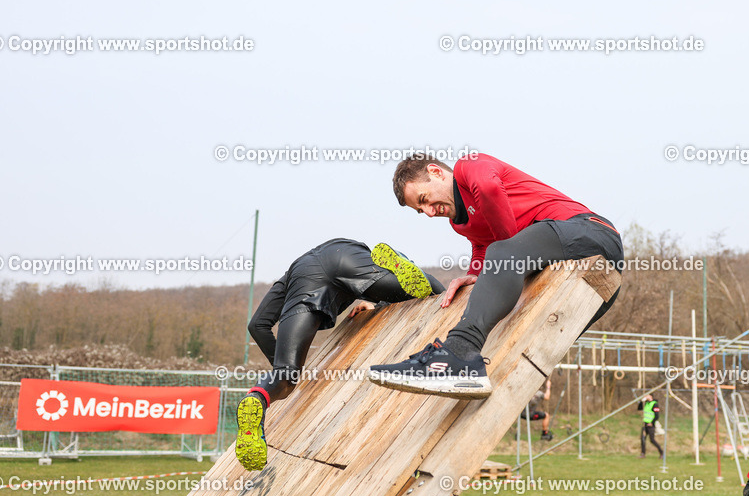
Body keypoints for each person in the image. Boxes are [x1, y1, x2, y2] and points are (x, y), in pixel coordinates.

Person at [368, 153, 624, 399]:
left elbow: (489, 189)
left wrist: (504, 253)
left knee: (501, 251)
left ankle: (457, 352)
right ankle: (468, 372)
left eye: (424, 199)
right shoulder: (460, 223)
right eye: (420, 210)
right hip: (562, 265)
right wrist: (473, 275)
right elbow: (482, 246)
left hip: (591, 233)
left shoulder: (468, 166)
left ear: (435, 172)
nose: (429, 212)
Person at [236, 239, 444, 471]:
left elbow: (257, 325)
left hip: (303, 270)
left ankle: (257, 398)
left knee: (285, 377)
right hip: (347, 254)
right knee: (429, 290)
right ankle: (398, 264)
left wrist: (288, 376)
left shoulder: (292, 275)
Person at [637, 393, 663, 459]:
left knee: (652, 440)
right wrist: (641, 401)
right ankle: (643, 454)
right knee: (643, 439)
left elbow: (657, 415)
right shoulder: (646, 403)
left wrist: (652, 422)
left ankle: (661, 452)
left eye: (647, 395)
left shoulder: (654, 404)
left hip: (651, 424)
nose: (645, 396)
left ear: (650, 396)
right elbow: (639, 408)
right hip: (645, 424)